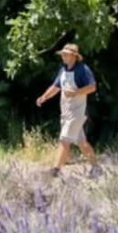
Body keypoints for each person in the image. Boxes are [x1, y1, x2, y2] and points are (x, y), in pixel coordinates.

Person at [36, 44, 99, 177]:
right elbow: (56, 86)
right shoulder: (63, 69)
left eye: (66, 54)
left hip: (77, 113)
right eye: (63, 54)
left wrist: (76, 92)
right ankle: (97, 169)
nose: (63, 56)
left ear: (74, 56)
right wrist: (44, 97)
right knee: (82, 142)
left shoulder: (83, 70)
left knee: (64, 140)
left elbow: (92, 87)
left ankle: (55, 171)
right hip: (66, 112)